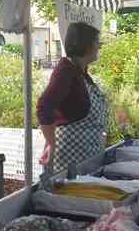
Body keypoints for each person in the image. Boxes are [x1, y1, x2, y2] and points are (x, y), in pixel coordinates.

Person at [37, 22, 106, 175]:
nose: (99, 46)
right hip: (70, 155)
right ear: (87, 45)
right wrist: (50, 143)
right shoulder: (66, 71)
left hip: (86, 153)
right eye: (97, 42)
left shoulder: (80, 71)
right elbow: (44, 106)